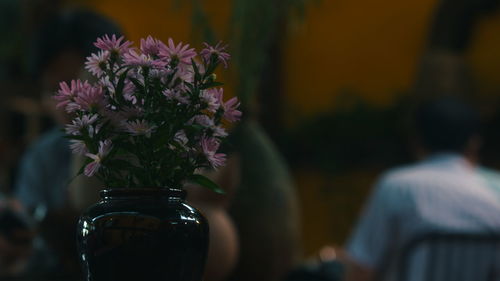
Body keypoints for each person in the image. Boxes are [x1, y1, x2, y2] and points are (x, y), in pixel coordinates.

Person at [13, 8, 123, 278]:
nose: (66, 103)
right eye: (53, 90)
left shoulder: (148, 149)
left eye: (77, 85)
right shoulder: (42, 157)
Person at [342, 97, 500, 281]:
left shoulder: (395, 186)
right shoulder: (495, 189)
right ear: (473, 142)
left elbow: (363, 268)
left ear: (416, 140)